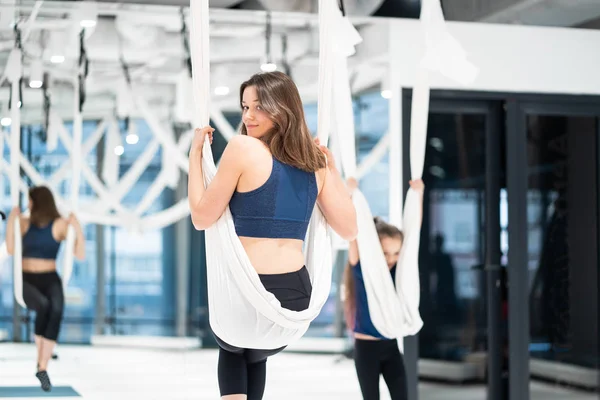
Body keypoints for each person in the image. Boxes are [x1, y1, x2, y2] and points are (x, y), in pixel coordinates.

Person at [187, 71, 358, 400]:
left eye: (258, 107)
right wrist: (331, 171)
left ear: (283, 109)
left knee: (234, 348)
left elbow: (201, 217)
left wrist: (195, 156)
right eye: (245, 107)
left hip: (245, 293)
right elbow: (349, 229)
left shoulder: (242, 148)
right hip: (294, 303)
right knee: (254, 352)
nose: (248, 116)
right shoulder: (316, 162)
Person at [343, 177, 424, 400]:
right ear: (374, 251)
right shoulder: (362, 267)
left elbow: (414, 231)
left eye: (396, 253)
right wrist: (351, 196)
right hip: (366, 348)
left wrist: (418, 195)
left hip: (390, 346)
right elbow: (353, 230)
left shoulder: (397, 273)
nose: (391, 259)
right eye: (385, 253)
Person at [6, 186, 86, 392]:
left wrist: (77, 228)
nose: (28, 205)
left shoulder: (59, 225)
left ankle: (42, 367)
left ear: (38, 202)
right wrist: (11, 222)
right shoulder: (23, 223)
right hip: (27, 279)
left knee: (57, 310)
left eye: (30, 201)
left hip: (50, 278)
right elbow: (10, 249)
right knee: (43, 306)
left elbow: (80, 254)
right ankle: (40, 361)